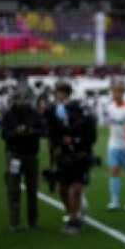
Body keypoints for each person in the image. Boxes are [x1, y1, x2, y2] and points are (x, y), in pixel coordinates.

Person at [0, 87, 47, 231]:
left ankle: (32, 221)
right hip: (14, 155)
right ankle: (14, 223)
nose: (22, 102)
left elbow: (44, 131)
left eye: (24, 99)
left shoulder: (34, 114)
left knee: (32, 190)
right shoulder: (9, 115)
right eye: (20, 99)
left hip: (31, 156)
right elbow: (4, 135)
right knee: (13, 189)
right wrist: (16, 132)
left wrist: (32, 131)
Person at [51, 100, 98, 235]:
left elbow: (90, 139)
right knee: (63, 189)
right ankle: (72, 213)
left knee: (77, 188)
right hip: (66, 159)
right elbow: (57, 137)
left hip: (81, 159)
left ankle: (73, 219)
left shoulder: (87, 122)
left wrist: (73, 140)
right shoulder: (64, 123)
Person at [49, 82, 89, 217]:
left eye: (59, 92)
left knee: (73, 181)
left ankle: (77, 207)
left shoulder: (70, 107)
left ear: (64, 93)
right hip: (63, 148)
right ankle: (74, 209)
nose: (57, 95)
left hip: (73, 149)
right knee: (66, 182)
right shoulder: (58, 107)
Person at [102, 81, 125, 211]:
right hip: (113, 145)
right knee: (113, 171)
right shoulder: (110, 107)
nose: (113, 94)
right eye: (113, 92)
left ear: (121, 93)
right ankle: (114, 201)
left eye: (116, 92)